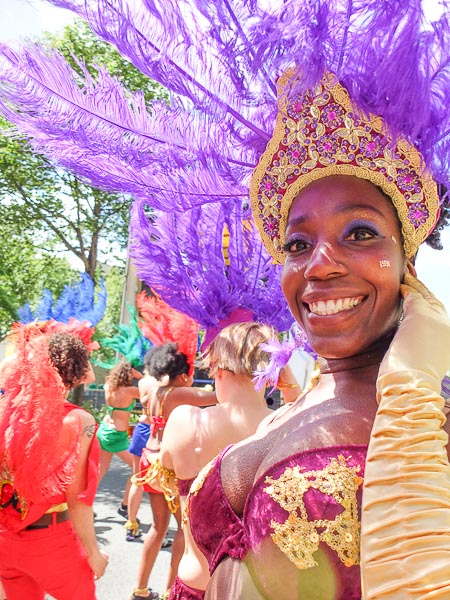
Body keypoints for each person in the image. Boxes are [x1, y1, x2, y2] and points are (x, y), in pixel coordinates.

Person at [177, 68, 450, 599]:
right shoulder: (303, 398)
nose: (319, 266)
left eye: (360, 232)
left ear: (405, 260)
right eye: (298, 244)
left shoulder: (431, 413)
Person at [159, 321, 300, 600]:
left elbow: (166, 465)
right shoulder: (290, 427)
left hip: (196, 584)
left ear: (218, 371)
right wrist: (290, 384)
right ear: (274, 375)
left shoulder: (186, 421)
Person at [0, 331, 109, 599]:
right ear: (77, 367)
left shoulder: (6, 409)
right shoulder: (78, 421)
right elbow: (78, 499)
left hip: (5, 541)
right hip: (50, 544)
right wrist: (94, 553)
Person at [129, 342, 217, 600]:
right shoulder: (177, 393)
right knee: (182, 529)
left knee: (157, 528)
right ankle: (170, 592)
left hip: (150, 459)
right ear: (182, 375)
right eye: (190, 375)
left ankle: (140, 589)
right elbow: (216, 397)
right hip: (168, 466)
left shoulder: (156, 391)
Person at [96, 359, 142, 518]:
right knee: (139, 470)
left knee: (100, 470)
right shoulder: (130, 391)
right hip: (116, 436)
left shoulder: (108, 386)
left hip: (104, 430)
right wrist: (140, 377)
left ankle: (85, 503)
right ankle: (125, 506)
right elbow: (151, 390)